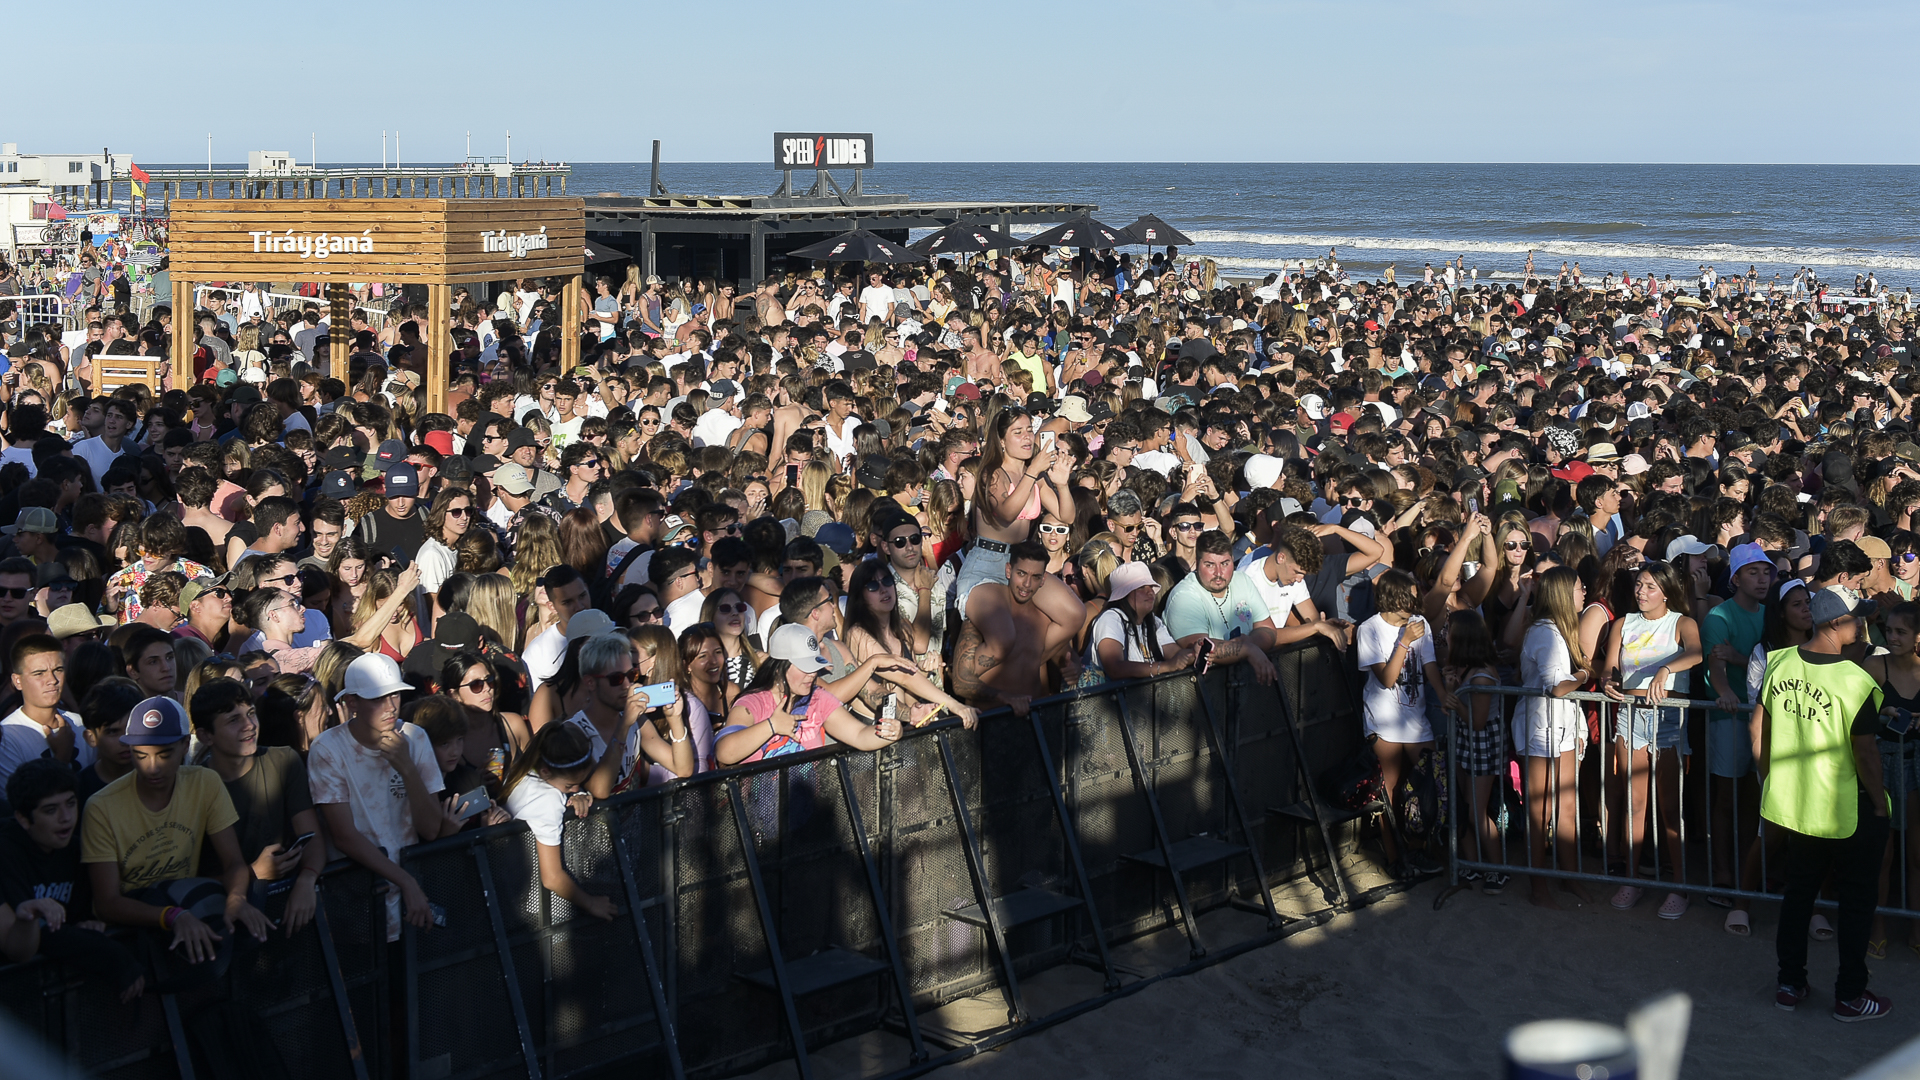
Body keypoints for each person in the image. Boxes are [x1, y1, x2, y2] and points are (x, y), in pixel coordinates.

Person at [1755, 587, 1892, 1021]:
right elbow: (1866, 755)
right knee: (1855, 903)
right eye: (1856, 619)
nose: (1861, 626)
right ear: (1836, 623)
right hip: (1846, 809)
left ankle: (1789, 984)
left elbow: (1761, 730)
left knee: (1798, 895)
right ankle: (1851, 995)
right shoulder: (1856, 681)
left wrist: (1769, 781)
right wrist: (1880, 805)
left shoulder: (1779, 663)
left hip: (1795, 805)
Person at [80, 695, 274, 984]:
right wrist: (172, 916)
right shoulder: (100, 806)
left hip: (190, 916)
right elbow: (107, 902)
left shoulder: (204, 782)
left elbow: (233, 862)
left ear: (185, 745)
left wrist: (236, 899)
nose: (153, 767)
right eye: (141, 755)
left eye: (165, 754)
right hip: (133, 932)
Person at [306, 654, 453, 941]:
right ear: (352, 704)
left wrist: (407, 767)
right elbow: (344, 836)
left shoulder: (416, 738)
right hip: (358, 900)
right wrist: (405, 881)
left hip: (413, 900)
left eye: (395, 695)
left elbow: (431, 828)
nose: (390, 707)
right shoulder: (327, 749)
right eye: (377, 699)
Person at [188, 677, 325, 936]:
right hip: (220, 922)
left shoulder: (283, 760)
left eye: (250, 713)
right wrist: (253, 874)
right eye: (233, 720)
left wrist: (307, 879)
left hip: (287, 910)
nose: (249, 725)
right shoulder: (193, 786)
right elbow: (188, 878)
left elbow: (312, 837)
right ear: (206, 735)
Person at [0, 760, 143, 998]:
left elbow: (78, 918)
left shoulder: (77, 849)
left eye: (70, 804)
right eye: (50, 810)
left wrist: (87, 925)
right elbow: (22, 947)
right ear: (23, 819)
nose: (66, 817)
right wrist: (111, 955)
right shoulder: (5, 852)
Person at [1355, 569, 1459, 877]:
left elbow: (1429, 666)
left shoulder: (1420, 624)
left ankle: (1417, 850)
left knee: (1427, 786)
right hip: (1383, 721)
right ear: (1392, 598)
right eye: (1409, 597)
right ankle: (1394, 857)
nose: (1415, 603)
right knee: (1389, 791)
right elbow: (1386, 679)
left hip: (1416, 719)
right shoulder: (1370, 629)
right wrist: (1403, 642)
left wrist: (1443, 698)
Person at [714, 624, 905, 765]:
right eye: (805, 667)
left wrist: (889, 732)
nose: (813, 674)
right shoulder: (753, 703)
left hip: (808, 812)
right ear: (780, 668)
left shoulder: (817, 698)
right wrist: (771, 726)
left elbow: (859, 734)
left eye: (815, 667)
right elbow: (725, 752)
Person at [1514, 566, 1592, 907]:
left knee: (1567, 807)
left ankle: (1570, 876)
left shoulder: (1561, 629)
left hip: (1561, 727)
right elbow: (1558, 687)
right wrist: (1583, 673)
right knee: (1540, 810)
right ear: (1563, 594)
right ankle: (1538, 884)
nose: (1585, 591)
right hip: (1540, 728)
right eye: (1579, 587)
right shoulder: (1545, 632)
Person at [504, 721, 618, 920]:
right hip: (543, 911)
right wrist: (590, 903)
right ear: (546, 771)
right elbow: (552, 878)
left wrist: (572, 795)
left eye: (579, 784)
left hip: (518, 901)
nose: (575, 789)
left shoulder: (521, 772)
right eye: (569, 785)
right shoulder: (548, 800)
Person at [1442, 609, 1507, 895]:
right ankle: (1473, 863)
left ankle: (1498, 869)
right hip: (1465, 742)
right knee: (1463, 807)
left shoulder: (1481, 676)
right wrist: (1450, 687)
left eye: (1448, 630)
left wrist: (1455, 700)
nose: (1444, 635)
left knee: (1476, 813)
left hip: (1482, 743)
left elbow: (1478, 721)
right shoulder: (1463, 668)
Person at [1163, 530, 1278, 684]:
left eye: (1225, 563)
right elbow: (1202, 648)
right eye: (1209, 565)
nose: (1218, 573)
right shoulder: (1184, 596)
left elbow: (1268, 629)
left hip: (1246, 685)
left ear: (1232, 560)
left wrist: (1251, 644)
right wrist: (1247, 649)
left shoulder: (1242, 580)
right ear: (1197, 563)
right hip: (1205, 690)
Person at [1085, 561, 1197, 682]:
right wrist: (1165, 667)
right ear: (1124, 593)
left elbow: (1175, 654)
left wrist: (1195, 652)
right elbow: (1115, 668)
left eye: (1151, 587)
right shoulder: (1111, 618)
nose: (1150, 592)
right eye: (1142, 587)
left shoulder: (1153, 621)